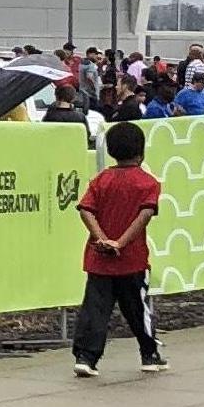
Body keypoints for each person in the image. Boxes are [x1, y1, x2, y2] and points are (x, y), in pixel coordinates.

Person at [72, 121, 166, 378]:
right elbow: (144, 215)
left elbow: (85, 211)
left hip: (99, 259)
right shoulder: (148, 183)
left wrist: (102, 239)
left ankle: (86, 357)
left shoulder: (101, 180)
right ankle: (149, 353)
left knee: (95, 309)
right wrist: (120, 243)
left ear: (112, 151)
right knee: (138, 309)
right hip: (132, 260)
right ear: (141, 152)